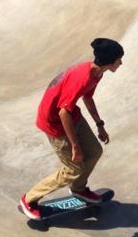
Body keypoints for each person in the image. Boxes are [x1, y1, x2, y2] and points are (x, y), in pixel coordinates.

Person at [18, 38, 124, 221]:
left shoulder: (97, 73)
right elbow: (62, 113)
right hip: (54, 121)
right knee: (73, 168)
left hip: (72, 115)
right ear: (109, 61)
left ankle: (79, 188)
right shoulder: (82, 77)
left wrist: (100, 125)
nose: (121, 63)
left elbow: (87, 98)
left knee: (94, 151)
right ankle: (29, 199)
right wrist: (75, 146)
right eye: (118, 59)